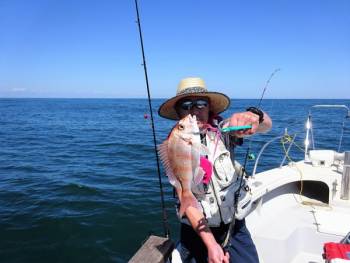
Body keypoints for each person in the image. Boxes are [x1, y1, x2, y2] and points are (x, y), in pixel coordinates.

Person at [158, 77, 272, 263]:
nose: (194, 110)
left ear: (209, 107)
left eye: (201, 103)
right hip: (197, 231)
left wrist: (254, 116)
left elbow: (266, 125)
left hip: (234, 227)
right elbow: (186, 200)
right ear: (179, 112)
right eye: (186, 105)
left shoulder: (224, 130)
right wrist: (211, 245)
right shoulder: (174, 145)